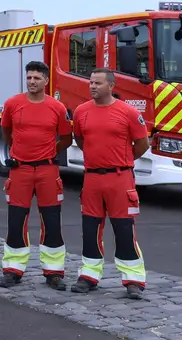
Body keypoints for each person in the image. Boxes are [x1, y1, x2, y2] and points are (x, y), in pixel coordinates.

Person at [71, 68, 149, 299]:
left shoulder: (129, 113)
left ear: (112, 86)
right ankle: (89, 276)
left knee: (124, 230)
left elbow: (142, 144)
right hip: (92, 178)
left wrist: (122, 161)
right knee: (90, 229)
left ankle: (133, 280)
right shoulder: (81, 112)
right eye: (91, 82)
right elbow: (80, 139)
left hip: (120, 178)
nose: (92, 86)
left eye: (98, 83)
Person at [0, 60, 73, 291]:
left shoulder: (57, 108)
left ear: (46, 81)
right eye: (29, 77)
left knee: (51, 221)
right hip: (20, 170)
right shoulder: (12, 104)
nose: (32, 81)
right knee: (16, 221)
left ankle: (54, 272)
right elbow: (7, 131)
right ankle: (13, 270)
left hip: (47, 171)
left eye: (37, 78)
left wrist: (48, 153)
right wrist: (20, 152)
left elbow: (66, 139)